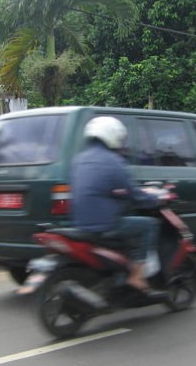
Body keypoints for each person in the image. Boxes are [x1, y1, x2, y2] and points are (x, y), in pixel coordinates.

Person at [70, 116, 166, 294]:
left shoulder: (79, 159)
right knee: (149, 225)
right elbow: (135, 195)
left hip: (80, 224)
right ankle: (137, 276)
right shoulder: (114, 162)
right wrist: (155, 199)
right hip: (106, 225)